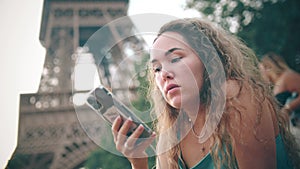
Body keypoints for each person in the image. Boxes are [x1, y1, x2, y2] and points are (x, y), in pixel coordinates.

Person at [111, 18, 300, 169]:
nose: (164, 74)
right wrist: (138, 162)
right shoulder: (172, 132)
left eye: (176, 58)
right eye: (157, 69)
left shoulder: (236, 97)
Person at [259, 52, 300, 126]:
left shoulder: (288, 76)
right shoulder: (278, 82)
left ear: (268, 67)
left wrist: (288, 108)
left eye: (261, 70)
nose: (260, 74)